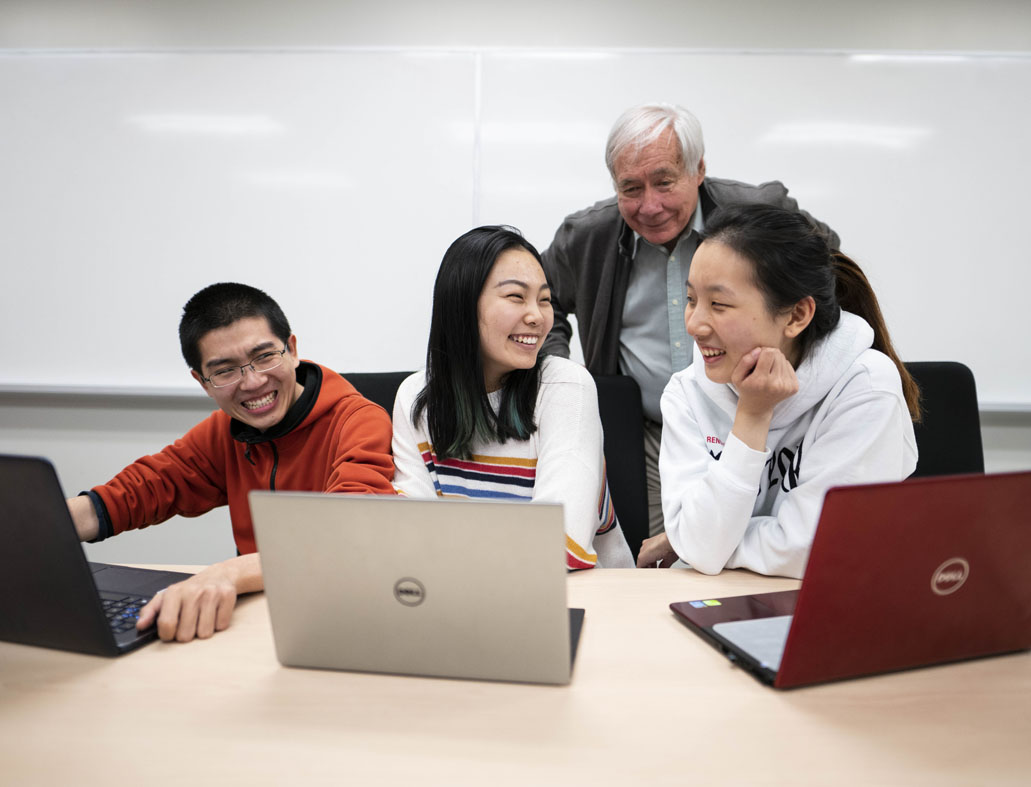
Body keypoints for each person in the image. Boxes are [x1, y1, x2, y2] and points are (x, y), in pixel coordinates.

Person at [541, 102, 839, 538]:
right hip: (649, 432)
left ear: (698, 169)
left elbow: (828, 273)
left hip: (763, 417)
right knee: (667, 555)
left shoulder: (761, 213)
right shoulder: (587, 238)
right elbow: (540, 306)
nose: (650, 205)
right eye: (631, 188)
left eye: (664, 182)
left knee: (773, 535)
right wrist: (566, 383)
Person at [66, 283, 395, 641]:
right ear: (203, 382)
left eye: (265, 356)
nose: (253, 382)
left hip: (344, 618)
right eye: (225, 371)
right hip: (258, 621)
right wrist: (38, 522)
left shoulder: (358, 420)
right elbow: (146, 487)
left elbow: (350, 533)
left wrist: (226, 574)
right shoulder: (225, 431)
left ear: (293, 349)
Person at [636, 203, 919, 577]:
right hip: (715, 602)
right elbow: (705, 548)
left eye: (718, 304)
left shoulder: (864, 386)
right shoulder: (686, 393)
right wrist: (752, 416)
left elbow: (821, 549)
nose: (694, 324)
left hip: (831, 604)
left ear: (797, 315)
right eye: (691, 300)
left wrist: (706, 540)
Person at [392, 226, 634, 569]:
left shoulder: (565, 386)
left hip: (583, 602)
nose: (537, 316)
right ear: (462, 303)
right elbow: (407, 537)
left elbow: (562, 542)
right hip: (460, 604)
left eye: (545, 299)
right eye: (516, 297)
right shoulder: (416, 397)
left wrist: (442, 550)